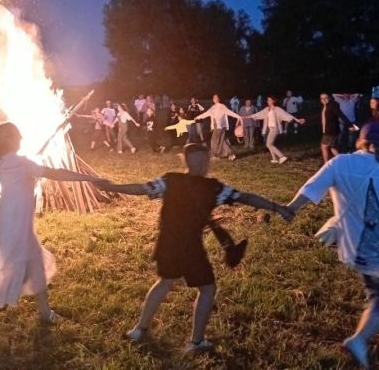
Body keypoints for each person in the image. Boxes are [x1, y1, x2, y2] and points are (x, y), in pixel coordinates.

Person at [99, 144, 292, 353]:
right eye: (201, 160)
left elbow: (143, 188)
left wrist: (111, 187)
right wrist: (277, 207)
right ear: (200, 161)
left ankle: (139, 330)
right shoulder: (214, 188)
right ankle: (197, 342)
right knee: (207, 288)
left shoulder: (171, 181)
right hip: (191, 247)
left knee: (164, 282)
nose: (202, 164)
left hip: (167, 243)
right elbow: (245, 197)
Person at [0, 122, 105, 323]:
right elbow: (55, 173)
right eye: (18, 136)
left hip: (11, 219)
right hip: (16, 222)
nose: (21, 139)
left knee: (32, 264)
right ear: (10, 140)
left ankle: (43, 312)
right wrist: (89, 178)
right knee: (16, 268)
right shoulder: (22, 163)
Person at [285, 123, 379, 369]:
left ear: (361, 141)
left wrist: (290, 208)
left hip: (357, 250)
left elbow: (310, 188)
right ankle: (359, 340)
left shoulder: (340, 163)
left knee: (377, 293)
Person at [246, 96, 305, 164]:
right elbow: (258, 114)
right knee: (270, 144)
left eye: (269, 100)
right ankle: (274, 159)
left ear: (273, 101)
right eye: (267, 100)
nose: (268, 101)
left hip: (275, 129)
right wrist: (249, 117)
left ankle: (282, 156)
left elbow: (286, 114)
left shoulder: (277, 109)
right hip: (270, 129)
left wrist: (297, 120)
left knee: (269, 144)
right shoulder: (266, 109)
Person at [194, 94, 241, 161]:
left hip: (220, 126)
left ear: (219, 99)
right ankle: (230, 154)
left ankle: (216, 155)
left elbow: (229, 112)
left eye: (216, 97)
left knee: (214, 141)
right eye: (213, 98)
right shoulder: (213, 107)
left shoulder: (222, 106)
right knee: (222, 141)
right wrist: (198, 117)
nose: (214, 99)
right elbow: (206, 114)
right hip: (216, 126)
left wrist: (238, 116)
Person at [319, 93, 354, 163]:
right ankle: (342, 161)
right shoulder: (326, 106)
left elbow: (341, 115)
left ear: (329, 98)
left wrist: (349, 125)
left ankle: (326, 164)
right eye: (322, 98)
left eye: (325, 98)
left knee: (324, 146)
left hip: (331, 130)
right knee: (332, 147)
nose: (324, 100)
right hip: (329, 130)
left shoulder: (332, 105)